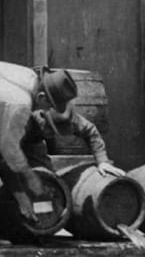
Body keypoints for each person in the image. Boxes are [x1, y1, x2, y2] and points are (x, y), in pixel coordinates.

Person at [0, 62, 122, 223]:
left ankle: (45, 220)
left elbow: (90, 131)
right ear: (42, 102)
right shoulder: (19, 105)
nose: (52, 136)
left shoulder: (40, 87)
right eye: (50, 130)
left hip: (19, 129)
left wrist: (102, 161)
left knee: (44, 178)